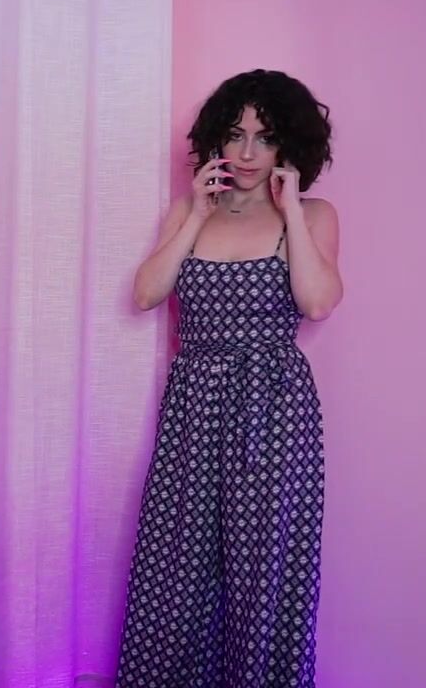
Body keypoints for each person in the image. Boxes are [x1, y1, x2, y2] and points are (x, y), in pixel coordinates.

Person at [115, 69, 343, 687]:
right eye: (235, 135)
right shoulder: (189, 212)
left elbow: (318, 302)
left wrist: (290, 208)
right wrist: (196, 214)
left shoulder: (313, 215)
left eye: (264, 138)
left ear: (288, 144)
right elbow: (146, 293)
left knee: (262, 570)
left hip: (272, 409)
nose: (246, 152)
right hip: (194, 406)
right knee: (178, 564)